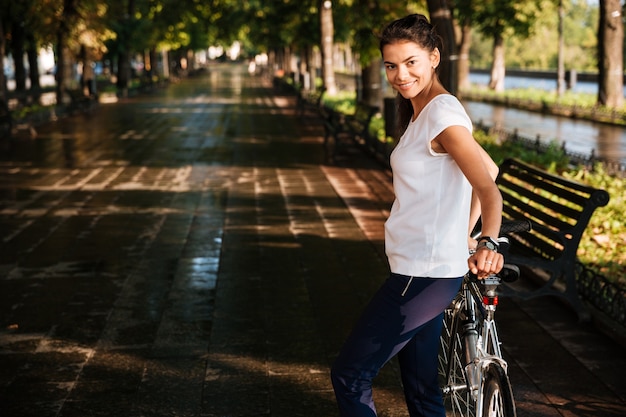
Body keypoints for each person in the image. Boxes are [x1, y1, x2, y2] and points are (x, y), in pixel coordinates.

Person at [330, 14, 504, 417]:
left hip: (421, 277)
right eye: (391, 65)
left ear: (434, 58)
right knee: (422, 389)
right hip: (423, 269)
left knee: (350, 375)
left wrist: (487, 240)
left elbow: (489, 189)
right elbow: (490, 167)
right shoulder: (425, 111)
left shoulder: (442, 115)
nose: (400, 74)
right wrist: (461, 233)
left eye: (411, 62)